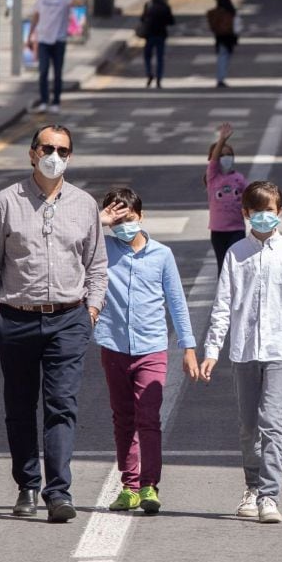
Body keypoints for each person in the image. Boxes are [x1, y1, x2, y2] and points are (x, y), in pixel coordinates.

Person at [0, 124, 108, 523]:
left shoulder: (84, 204)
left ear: (70, 157)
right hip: (16, 319)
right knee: (19, 407)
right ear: (32, 153)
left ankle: (59, 492)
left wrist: (91, 310)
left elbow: (97, 264)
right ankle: (27, 485)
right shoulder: (6, 201)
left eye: (63, 151)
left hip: (69, 319)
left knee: (62, 406)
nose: (55, 156)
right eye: (48, 148)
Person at [201, 180, 282, 524]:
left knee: (272, 422)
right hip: (244, 351)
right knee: (248, 425)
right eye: (257, 212)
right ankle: (251, 487)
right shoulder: (237, 253)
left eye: (269, 211)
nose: (264, 217)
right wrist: (213, 350)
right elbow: (223, 304)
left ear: (279, 212)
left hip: (281, 349)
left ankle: (270, 495)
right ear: (245, 214)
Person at [95, 187, 198, 515]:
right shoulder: (101, 249)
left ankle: (149, 485)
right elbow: (73, 238)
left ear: (142, 216)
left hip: (152, 348)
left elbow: (177, 302)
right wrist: (99, 221)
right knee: (123, 418)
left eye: (130, 218)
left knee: (148, 417)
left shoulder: (161, 255)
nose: (124, 225)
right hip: (113, 346)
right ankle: (129, 487)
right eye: (117, 220)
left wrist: (188, 346)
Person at [28, 0, 81, 114]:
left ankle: (56, 101)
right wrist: (30, 35)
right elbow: (36, 16)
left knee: (57, 73)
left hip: (59, 40)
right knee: (43, 71)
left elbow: (79, 2)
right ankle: (44, 101)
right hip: (43, 40)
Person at [205, 123, 247, 273]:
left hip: (237, 229)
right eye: (222, 155)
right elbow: (214, 161)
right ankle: (223, 296)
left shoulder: (239, 178)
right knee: (222, 266)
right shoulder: (213, 178)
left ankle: (238, 295)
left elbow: (250, 198)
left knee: (236, 266)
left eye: (229, 155)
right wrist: (222, 139)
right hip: (218, 231)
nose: (226, 158)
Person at [139, 0, 175, 89]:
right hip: (160, 35)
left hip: (149, 35)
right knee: (160, 58)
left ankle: (149, 73)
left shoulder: (148, 5)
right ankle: (159, 79)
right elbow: (171, 21)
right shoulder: (165, 7)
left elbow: (142, 18)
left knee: (147, 56)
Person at [207, 0, 238, 89]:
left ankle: (221, 77)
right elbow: (232, 14)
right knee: (224, 55)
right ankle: (221, 78)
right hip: (227, 32)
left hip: (220, 31)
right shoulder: (226, 1)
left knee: (222, 54)